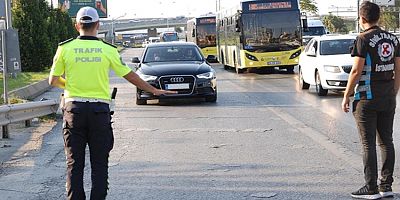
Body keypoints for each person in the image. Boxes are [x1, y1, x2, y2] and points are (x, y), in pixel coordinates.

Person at [49, 7, 175, 200]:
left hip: (74, 111)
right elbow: (130, 75)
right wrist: (154, 90)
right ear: (98, 25)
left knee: (74, 164)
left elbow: (53, 80)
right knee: (100, 164)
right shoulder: (108, 50)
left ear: (77, 26)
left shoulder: (65, 48)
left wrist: (72, 86)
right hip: (100, 112)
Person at [341, 2, 400, 199]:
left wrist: (346, 95)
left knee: (368, 144)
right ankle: (386, 186)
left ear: (362, 19)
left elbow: (357, 71)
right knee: (386, 142)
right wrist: (394, 91)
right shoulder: (393, 39)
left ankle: (371, 188)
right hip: (388, 97)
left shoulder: (363, 38)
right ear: (379, 17)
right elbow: (398, 68)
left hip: (367, 98)